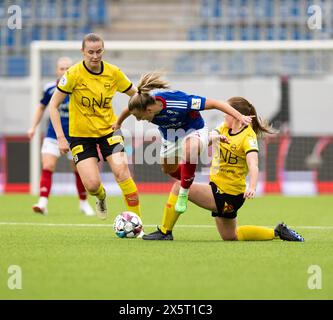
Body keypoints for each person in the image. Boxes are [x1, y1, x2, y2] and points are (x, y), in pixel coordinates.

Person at [142, 96, 304, 242]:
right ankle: (277, 232)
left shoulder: (248, 137)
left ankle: (165, 231)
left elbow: (253, 164)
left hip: (229, 194)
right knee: (231, 236)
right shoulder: (224, 128)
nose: (224, 114)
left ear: (235, 115)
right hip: (218, 189)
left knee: (179, 187)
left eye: (227, 111)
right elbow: (208, 139)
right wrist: (205, 140)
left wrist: (253, 186)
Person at [113, 71, 253, 214]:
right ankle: (209, 141)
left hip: (194, 130)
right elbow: (128, 110)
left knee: (190, 149)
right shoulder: (142, 103)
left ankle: (184, 192)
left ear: (148, 110)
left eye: (140, 117)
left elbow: (215, 103)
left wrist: (239, 116)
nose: (138, 120)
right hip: (171, 136)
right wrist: (118, 124)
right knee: (168, 169)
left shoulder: (180, 101)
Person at [48, 33, 141, 220]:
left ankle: (136, 221)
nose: (95, 56)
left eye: (99, 51)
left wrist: (137, 111)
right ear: (83, 52)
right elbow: (53, 106)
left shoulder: (113, 72)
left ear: (103, 51)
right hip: (80, 136)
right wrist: (60, 137)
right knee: (91, 185)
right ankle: (100, 196)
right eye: (90, 52)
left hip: (109, 131)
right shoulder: (73, 74)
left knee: (122, 171)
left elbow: (136, 95)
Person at [28, 57, 94, 216]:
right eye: (62, 68)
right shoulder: (50, 88)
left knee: (79, 170)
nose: (65, 71)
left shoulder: (79, 88)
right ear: (57, 70)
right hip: (53, 135)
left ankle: (83, 203)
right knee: (48, 165)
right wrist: (33, 127)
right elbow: (41, 107)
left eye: (68, 68)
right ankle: (42, 203)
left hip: (76, 136)